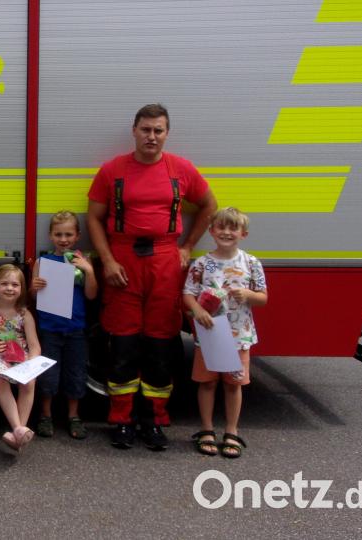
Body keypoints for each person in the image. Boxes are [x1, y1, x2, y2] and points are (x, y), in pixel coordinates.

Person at [86, 103, 217, 450]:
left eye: (158, 130)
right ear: (134, 130)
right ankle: (121, 421)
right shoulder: (113, 170)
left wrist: (188, 245)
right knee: (124, 346)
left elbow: (209, 206)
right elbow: (94, 218)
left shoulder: (181, 169)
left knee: (161, 346)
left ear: (166, 133)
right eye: (146, 129)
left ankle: (154, 421)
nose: (152, 136)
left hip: (164, 260)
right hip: (124, 260)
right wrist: (109, 261)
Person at [183, 207, 267, 459]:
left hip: (238, 336)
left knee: (233, 385)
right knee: (207, 382)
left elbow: (263, 298)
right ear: (211, 231)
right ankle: (207, 429)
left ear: (244, 233)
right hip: (209, 334)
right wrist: (197, 310)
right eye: (221, 227)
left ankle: (231, 430)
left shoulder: (251, 263)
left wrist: (249, 295)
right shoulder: (202, 263)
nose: (226, 232)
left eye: (233, 228)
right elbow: (188, 293)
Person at [30, 210, 99, 439]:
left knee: (76, 373)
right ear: (51, 236)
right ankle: (46, 415)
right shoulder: (43, 262)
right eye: (58, 234)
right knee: (48, 374)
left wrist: (88, 270)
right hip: (50, 328)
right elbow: (32, 295)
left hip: (76, 328)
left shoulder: (82, 261)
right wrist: (35, 286)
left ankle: (73, 416)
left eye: (69, 234)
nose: (64, 239)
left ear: (77, 236)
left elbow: (91, 295)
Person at [0, 264, 41, 452]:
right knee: (0, 380)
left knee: (29, 382)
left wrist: (31, 363)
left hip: (20, 356)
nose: (9, 288)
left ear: (21, 288)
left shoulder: (25, 314)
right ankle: (18, 429)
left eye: (15, 284)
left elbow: (34, 345)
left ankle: (18, 430)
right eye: (4, 284)